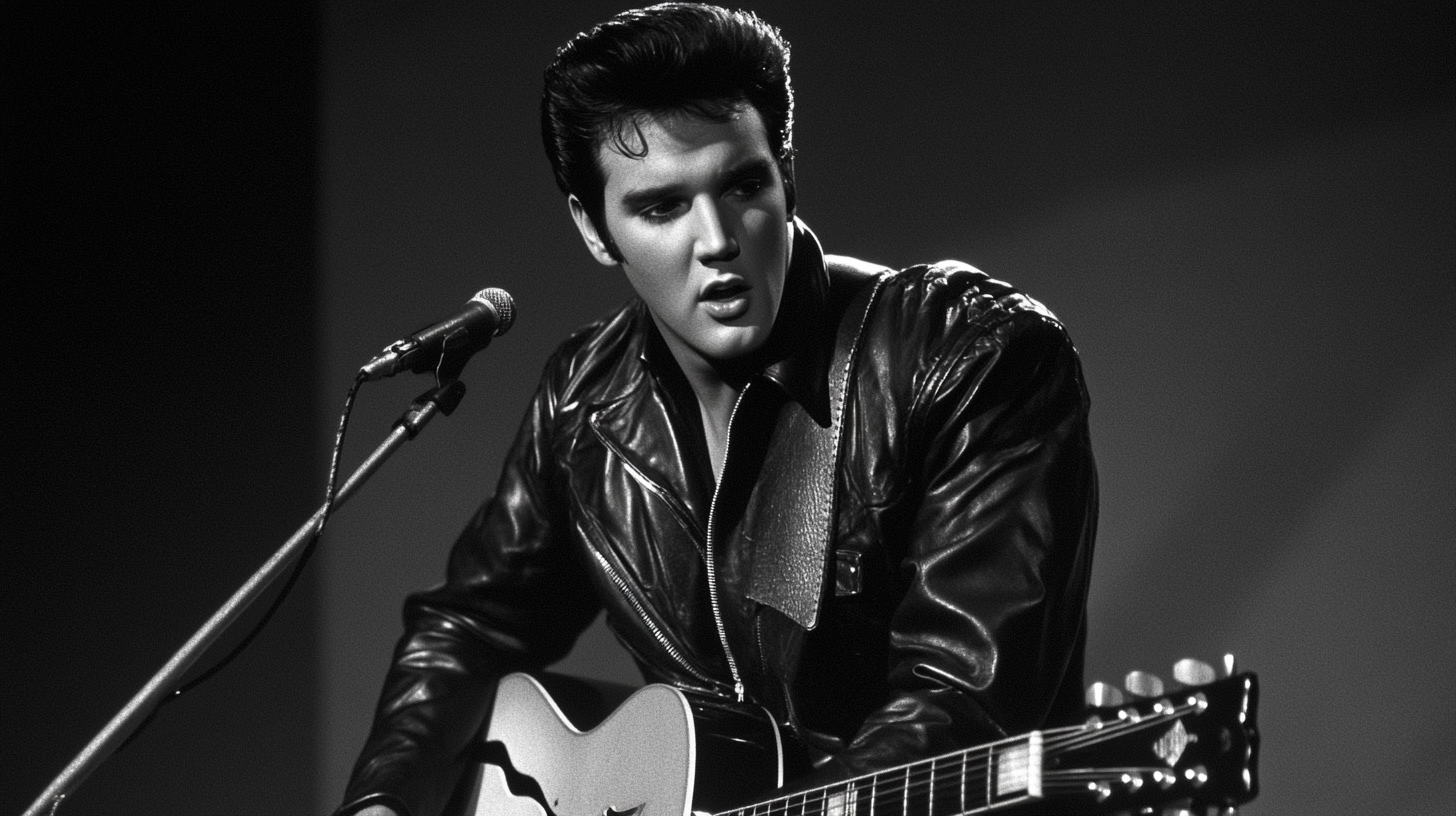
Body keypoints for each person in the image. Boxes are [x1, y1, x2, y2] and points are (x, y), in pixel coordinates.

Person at [338, 4, 1096, 815]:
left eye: (743, 185)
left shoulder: (964, 354)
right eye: (661, 208)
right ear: (594, 230)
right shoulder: (585, 404)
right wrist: (384, 800)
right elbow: (468, 627)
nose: (717, 239)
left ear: (787, 171)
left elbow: (962, 702)